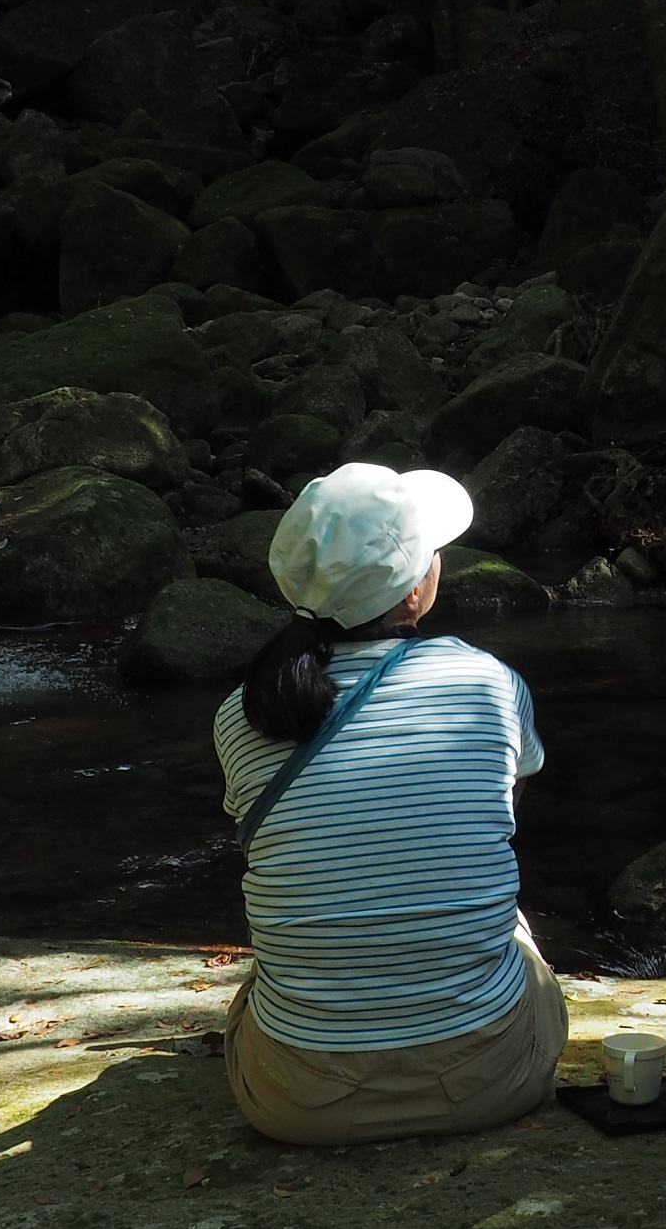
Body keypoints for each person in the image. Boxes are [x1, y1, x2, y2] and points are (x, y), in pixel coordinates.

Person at [214, 462, 568, 1146]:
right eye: (430, 553)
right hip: (493, 1082)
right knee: (513, 924)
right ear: (413, 594)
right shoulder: (487, 683)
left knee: (275, 964)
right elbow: (505, 805)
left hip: (298, 1105)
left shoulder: (241, 713)